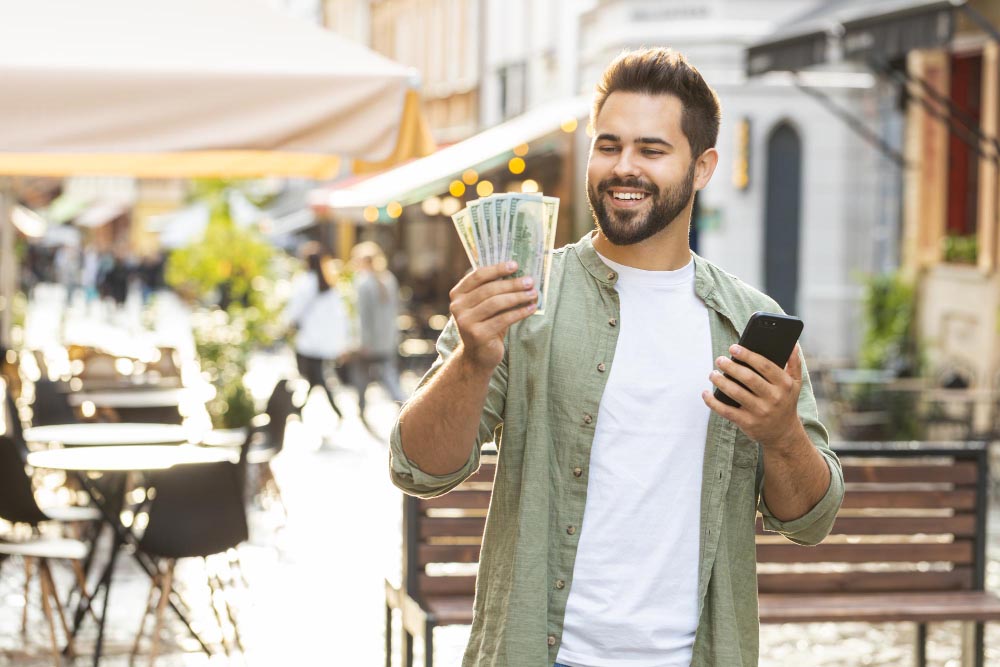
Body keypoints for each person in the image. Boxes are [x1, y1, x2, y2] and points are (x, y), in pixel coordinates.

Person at [389, 48, 845, 667]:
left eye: (652, 150)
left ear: (703, 166)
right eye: (609, 146)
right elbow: (419, 469)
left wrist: (782, 433)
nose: (623, 167)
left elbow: (810, 520)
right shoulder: (522, 296)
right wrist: (470, 361)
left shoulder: (746, 320)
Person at [284, 242, 350, 430]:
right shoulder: (329, 285)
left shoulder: (305, 283)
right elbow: (341, 316)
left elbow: (294, 310)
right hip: (324, 341)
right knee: (315, 378)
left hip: (309, 341)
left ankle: (303, 408)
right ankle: (300, 408)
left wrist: (287, 325)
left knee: (316, 377)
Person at [349, 241, 404, 422]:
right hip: (387, 339)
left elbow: (363, 317)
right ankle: (402, 403)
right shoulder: (389, 279)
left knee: (362, 375)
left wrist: (363, 342)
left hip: (370, 342)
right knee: (389, 375)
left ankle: (361, 407)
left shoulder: (364, 282)